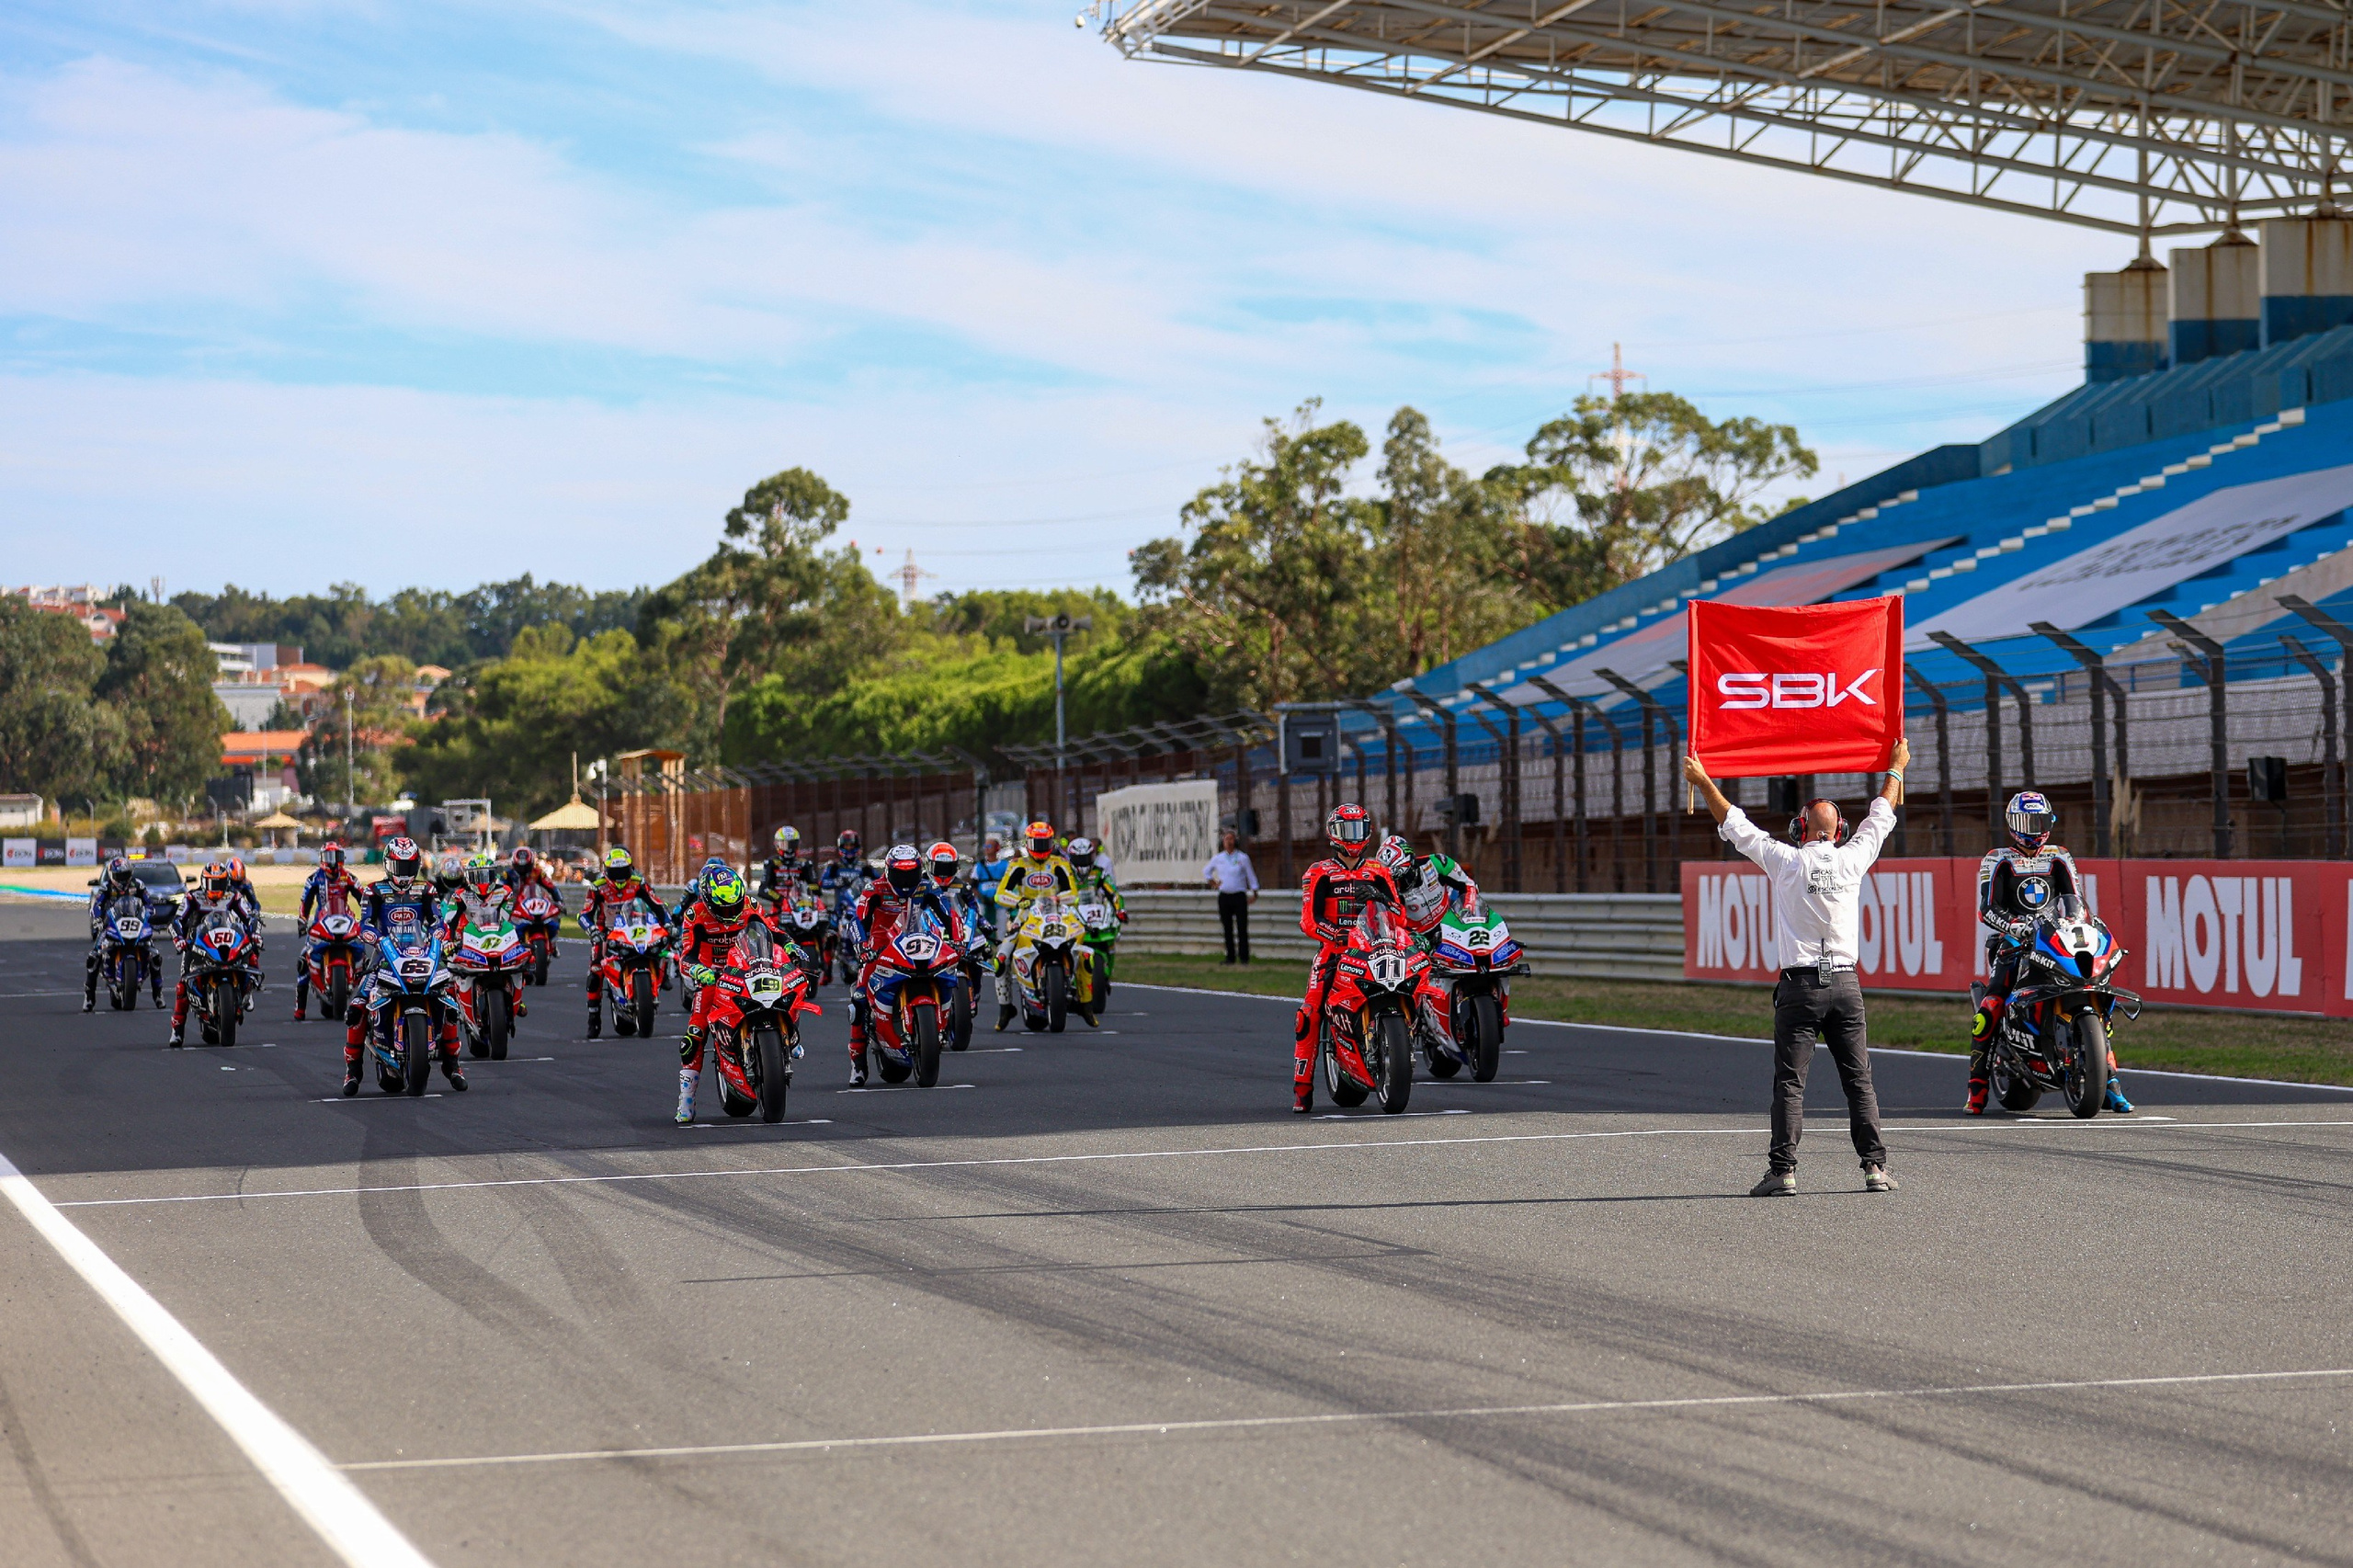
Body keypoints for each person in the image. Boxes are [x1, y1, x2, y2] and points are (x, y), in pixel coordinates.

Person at [1684, 744, 1909, 1195]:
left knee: (1790, 1083)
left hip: (1800, 986)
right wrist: (1897, 767)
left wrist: (1703, 780)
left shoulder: (1785, 860)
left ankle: (1783, 1171)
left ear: (1800, 829)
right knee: (1859, 1080)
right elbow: (1882, 813)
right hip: (1845, 984)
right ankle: (1875, 1168)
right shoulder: (1853, 856)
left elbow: (1735, 824)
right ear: (1840, 831)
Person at [1972, 790, 2133, 1116]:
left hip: (2053, 938)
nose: (2033, 829)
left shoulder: (2060, 856)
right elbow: (1987, 909)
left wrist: (2080, 922)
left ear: (2050, 822)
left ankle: (2110, 1080)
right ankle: (1977, 1087)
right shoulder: (1997, 858)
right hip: (2014, 942)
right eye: (2026, 821)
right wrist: (2016, 926)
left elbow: (2075, 901)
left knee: (2094, 988)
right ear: (2012, 824)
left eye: (2040, 821)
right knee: (1992, 1004)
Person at [1292, 804, 1403, 1115]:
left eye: (1358, 830)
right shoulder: (1319, 872)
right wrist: (1337, 935)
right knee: (1308, 1014)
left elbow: (1400, 916)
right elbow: (1308, 921)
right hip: (1334, 952)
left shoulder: (1380, 871)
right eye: (1347, 830)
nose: (1353, 838)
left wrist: (1382, 901)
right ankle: (1302, 1088)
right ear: (1333, 834)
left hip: (1376, 948)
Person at [342, 835, 466, 1095]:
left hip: (423, 954)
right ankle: (353, 1071)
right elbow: (365, 923)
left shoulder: (426, 890)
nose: (404, 872)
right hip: (384, 957)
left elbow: (437, 920)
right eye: (399, 866)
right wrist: (373, 936)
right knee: (356, 1006)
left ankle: (453, 1065)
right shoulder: (374, 891)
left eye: (409, 866)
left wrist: (440, 932)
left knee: (449, 999)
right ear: (388, 865)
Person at [847, 844, 967, 1084]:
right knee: (859, 1000)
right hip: (880, 948)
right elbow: (857, 921)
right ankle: (858, 1064)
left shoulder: (928, 887)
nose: (905, 880)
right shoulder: (874, 889)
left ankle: (941, 1024)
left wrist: (958, 940)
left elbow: (948, 914)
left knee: (947, 972)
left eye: (911, 873)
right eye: (900, 873)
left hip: (920, 942)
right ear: (888, 871)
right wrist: (862, 946)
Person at [674, 867, 755, 1123]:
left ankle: (790, 1042)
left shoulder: (750, 905)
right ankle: (686, 1102)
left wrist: (789, 945)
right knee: (694, 1036)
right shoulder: (694, 915)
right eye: (724, 909)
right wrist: (699, 969)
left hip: (748, 970)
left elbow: (773, 933)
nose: (731, 914)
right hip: (713, 978)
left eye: (734, 907)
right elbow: (686, 956)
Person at [167, 859, 262, 1048]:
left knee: (250, 953)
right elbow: (176, 920)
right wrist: (179, 939)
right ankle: (177, 1031)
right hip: (197, 944)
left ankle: (248, 989)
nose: (216, 888)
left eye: (219, 883)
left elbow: (250, 916)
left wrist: (255, 933)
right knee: (183, 985)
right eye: (212, 883)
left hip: (227, 940)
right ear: (204, 882)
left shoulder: (233, 896)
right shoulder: (192, 897)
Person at [992, 820, 1076, 1030]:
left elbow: (1073, 893)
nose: (1040, 848)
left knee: (1082, 947)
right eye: (1036, 843)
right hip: (1025, 916)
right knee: (1000, 958)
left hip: (1056, 913)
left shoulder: (1060, 864)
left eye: (1044, 843)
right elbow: (1000, 894)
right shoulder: (1018, 865)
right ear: (1027, 843)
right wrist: (1019, 901)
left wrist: (1059, 898)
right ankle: (1005, 1007)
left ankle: (1084, 998)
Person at [580, 846, 668, 1040]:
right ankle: (594, 1018)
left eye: (623, 871)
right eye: (615, 872)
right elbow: (584, 915)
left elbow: (658, 905)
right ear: (606, 870)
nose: (620, 877)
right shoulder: (597, 887)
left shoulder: (638, 883)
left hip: (636, 927)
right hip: (607, 933)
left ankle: (664, 977)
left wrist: (668, 923)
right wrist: (592, 930)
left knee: (663, 945)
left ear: (630, 868)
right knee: (595, 971)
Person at [292, 840, 363, 1020]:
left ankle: (367, 999)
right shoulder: (314, 879)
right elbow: (305, 902)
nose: (332, 861)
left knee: (365, 954)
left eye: (336, 856)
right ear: (321, 859)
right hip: (321, 923)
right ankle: (300, 1008)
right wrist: (302, 921)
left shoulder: (349, 877)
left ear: (342, 858)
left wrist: (370, 917)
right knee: (303, 960)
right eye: (328, 857)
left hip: (345, 920)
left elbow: (364, 898)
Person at [84, 854, 159, 1012]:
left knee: (155, 955)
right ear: (112, 875)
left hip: (135, 924)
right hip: (110, 925)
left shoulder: (138, 885)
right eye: (119, 876)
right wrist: (98, 919)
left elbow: (149, 904)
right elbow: (97, 906)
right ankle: (89, 997)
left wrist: (148, 915)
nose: (122, 879)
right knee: (93, 957)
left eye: (125, 875)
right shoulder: (106, 888)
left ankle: (158, 994)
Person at [1202, 828, 1259, 964]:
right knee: (1227, 928)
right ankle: (1230, 957)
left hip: (1239, 895)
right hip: (1224, 896)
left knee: (1242, 927)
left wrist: (1255, 892)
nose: (1229, 842)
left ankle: (1244, 957)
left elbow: (1250, 875)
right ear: (1223, 842)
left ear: (1235, 841)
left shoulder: (1242, 858)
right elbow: (1206, 871)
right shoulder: (1218, 858)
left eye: (1231, 839)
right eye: (1226, 839)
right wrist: (1213, 883)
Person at [971, 834, 1009, 939]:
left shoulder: (1005, 865)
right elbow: (973, 886)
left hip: (1000, 902)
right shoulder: (979, 866)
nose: (987, 849)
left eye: (989, 846)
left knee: (1001, 926)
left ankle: (1000, 944)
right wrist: (981, 897)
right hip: (983, 902)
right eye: (985, 846)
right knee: (982, 924)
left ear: (997, 848)